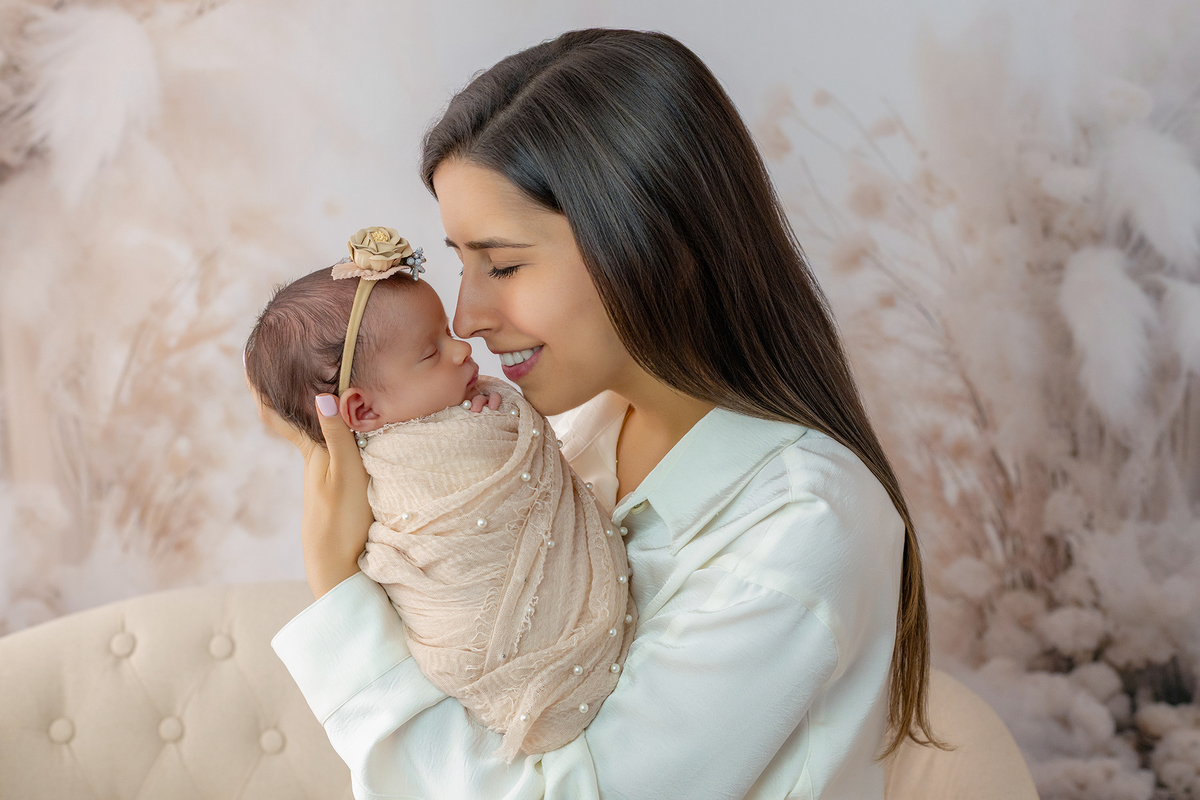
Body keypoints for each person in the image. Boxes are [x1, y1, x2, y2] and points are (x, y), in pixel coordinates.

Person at [262, 28, 941, 800]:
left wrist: (337, 587)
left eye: (503, 265)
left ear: (654, 247)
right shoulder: (563, 436)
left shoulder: (803, 524)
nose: (467, 317)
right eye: (461, 262)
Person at [244, 234, 635, 762]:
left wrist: (491, 408)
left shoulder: (465, 415)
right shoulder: (391, 471)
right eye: (432, 352)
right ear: (361, 412)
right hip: (474, 658)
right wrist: (499, 408)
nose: (462, 348)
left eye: (447, 335)